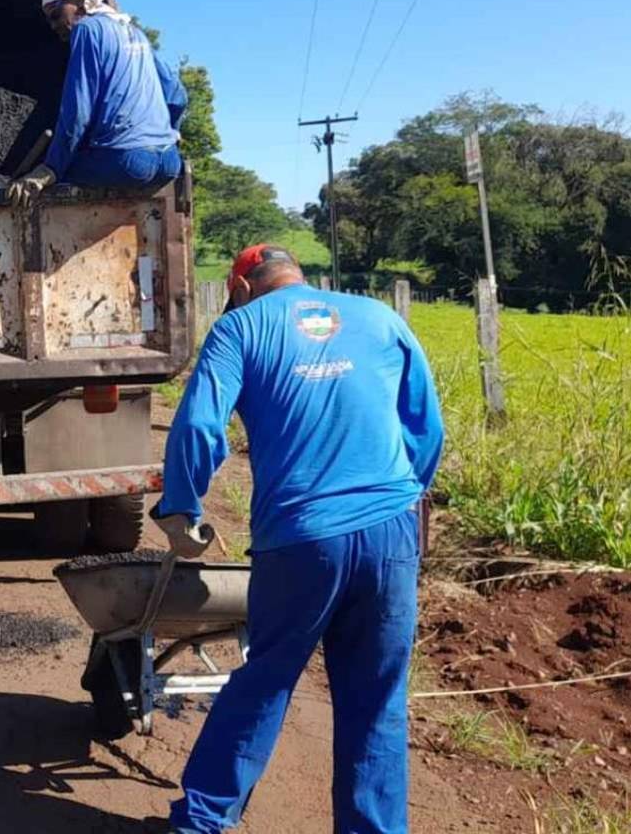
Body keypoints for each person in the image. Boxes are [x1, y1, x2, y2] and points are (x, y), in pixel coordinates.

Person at [155, 244, 444, 833]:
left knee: (266, 679)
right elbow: (425, 425)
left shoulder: (239, 328)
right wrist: (407, 497)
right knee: (377, 702)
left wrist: (182, 506)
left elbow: (199, 425)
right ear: (299, 278)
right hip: (391, 529)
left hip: (302, 536)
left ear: (240, 287)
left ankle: (202, 823)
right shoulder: (378, 317)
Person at [6, 0, 186, 207]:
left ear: (80, 4)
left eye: (56, 15)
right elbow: (176, 94)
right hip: (169, 162)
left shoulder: (87, 29)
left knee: (63, 172)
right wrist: (171, 132)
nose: (53, 25)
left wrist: (49, 169)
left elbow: (78, 110)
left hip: (126, 162)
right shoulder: (136, 33)